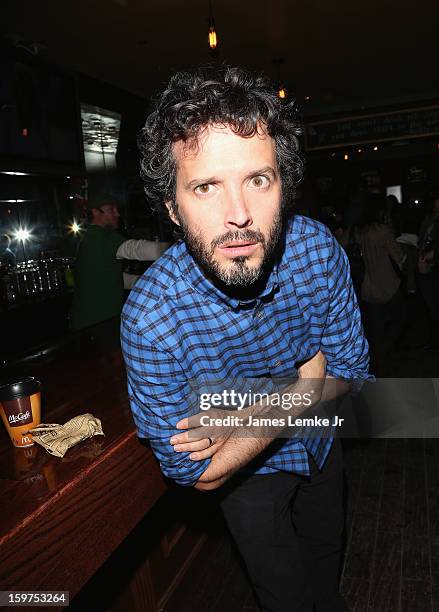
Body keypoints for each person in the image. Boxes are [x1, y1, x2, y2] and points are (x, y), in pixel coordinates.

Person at [121, 66, 370, 612]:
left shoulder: (316, 251)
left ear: (283, 185)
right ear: (171, 207)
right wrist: (301, 389)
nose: (238, 216)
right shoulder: (151, 319)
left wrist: (233, 421)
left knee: (326, 575)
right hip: (250, 483)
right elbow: (198, 472)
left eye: (258, 180)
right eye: (205, 186)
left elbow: (352, 373)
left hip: (323, 447)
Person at [70, 194, 168, 331]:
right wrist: (178, 249)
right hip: (101, 322)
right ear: (96, 212)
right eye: (111, 209)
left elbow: (106, 277)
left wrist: (141, 282)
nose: (117, 214)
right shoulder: (102, 236)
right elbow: (135, 249)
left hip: (84, 322)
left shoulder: (88, 237)